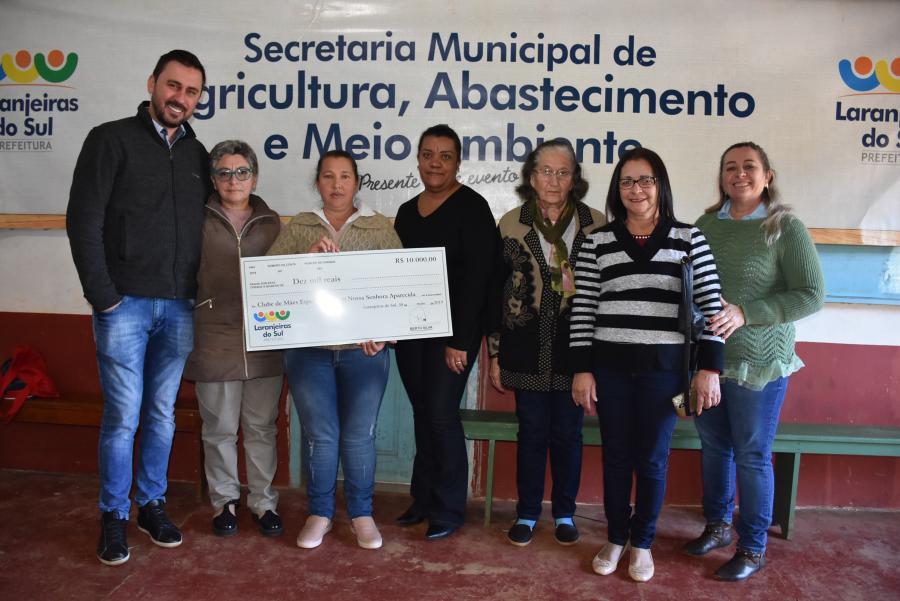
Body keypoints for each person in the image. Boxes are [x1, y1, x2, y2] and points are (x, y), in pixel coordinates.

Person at [66, 50, 209, 566]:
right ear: (152, 83)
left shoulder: (198, 155)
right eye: (173, 86)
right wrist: (103, 296)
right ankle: (113, 515)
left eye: (191, 92)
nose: (180, 98)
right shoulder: (110, 140)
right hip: (123, 305)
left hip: (179, 307)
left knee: (161, 414)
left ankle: (151, 505)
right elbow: (83, 220)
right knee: (123, 416)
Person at [569, 147, 725, 582]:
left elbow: (712, 308)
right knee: (617, 457)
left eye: (645, 180)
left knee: (653, 460)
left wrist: (709, 369)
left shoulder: (689, 239)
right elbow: (583, 309)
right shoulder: (597, 242)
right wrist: (582, 368)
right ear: (617, 189)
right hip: (611, 371)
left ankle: (642, 542)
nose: (636, 189)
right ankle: (616, 537)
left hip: (665, 372)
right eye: (627, 181)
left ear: (661, 186)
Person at [683, 142, 825, 581]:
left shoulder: (785, 227)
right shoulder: (706, 224)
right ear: (721, 176)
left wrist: (747, 312)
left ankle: (753, 546)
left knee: (752, 454)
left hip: (759, 364)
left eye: (749, 166)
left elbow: (811, 295)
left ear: (767, 176)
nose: (739, 174)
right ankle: (718, 526)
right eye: (730, 167)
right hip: (708, 361)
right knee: (714, 448)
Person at [268, 150, 402, 550]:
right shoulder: (299, 226)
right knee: (321, 436)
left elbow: (399, 286)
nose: (337, 184)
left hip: (364, 353)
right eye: (328, 176)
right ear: (317, 183)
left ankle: (361, 514)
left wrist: (385, 330)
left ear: (357, 183)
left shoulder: (379, 228)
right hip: (309, 351)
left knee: (360, 434)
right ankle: (321, 513)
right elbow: (270, 281)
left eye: (345, 176)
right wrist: (304, 260)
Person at [487, 139, 604, 547]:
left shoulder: (596, 224)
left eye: (563, 172)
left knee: (569, 435)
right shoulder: (511, 223)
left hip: (576, 351)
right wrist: (496, 352)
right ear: (531, 177)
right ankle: (527, 513)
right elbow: (496, 292)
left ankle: (565, 513)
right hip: (524, 349)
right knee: (532, 433)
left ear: (575, 179)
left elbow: (605, 295)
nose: (554, 180)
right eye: (546, 172)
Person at [393, 124, 499, 540]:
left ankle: (450, 508)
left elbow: (480, 281)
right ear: (418, 159)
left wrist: (461, 341)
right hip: (411, 332)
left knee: (440, 413)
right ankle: (423, 498)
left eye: (445, 156)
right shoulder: (406, 212)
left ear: (458, 163)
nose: (435, 163)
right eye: (428, 154)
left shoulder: (473, 207)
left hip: (453, 337)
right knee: (422, 413)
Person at [182, 140, 284, 539]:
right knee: (219, 429)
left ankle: (263, 503)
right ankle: (224, 502)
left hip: (265, 340)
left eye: (242, 172)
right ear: (213, 179)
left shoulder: (272, 223)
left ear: (254, 178)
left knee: (261, 427)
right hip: (214, 339)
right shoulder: (195, 220)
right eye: (223, 172)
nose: (233, 180)